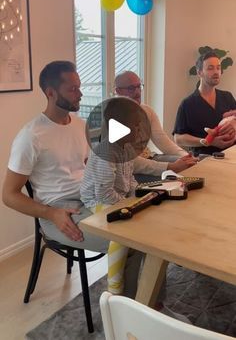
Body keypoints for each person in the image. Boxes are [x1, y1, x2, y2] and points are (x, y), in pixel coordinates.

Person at [2, 60, 142, 298]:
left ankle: (143, 305)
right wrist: (51, 214)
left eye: (79, 87)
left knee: (146, 229)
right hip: (58, 213)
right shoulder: (30, 136)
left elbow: (94, 167)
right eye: (73, 89)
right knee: (134, 239)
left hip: (89, 199)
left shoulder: (80, 126)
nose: (81, 93)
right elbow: (8, 195)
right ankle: (125, 310)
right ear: (50, 93)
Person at [80, 97, 141, 295]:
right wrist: (127, 204)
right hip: (97, 201)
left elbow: (130, 178)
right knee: (122, 230)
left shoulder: (127, 148)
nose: (139, 127)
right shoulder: (106, 151)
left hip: (116, 196)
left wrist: (137, 194)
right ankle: (114, 287)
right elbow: (104, 193)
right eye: (135, 123)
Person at [114, 71, 197, 178]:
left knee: (191, 164)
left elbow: (162, 141)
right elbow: (130, 161)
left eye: (139, 86)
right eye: (131, 88)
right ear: (118, 91)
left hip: (151, 158)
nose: (137, 92)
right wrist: (169, 167)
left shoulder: (147, 111)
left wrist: (186, 156)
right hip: (129, 171)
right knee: (177, 178)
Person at [173, 51, 236, 155]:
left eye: (218, 67)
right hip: (203, 159)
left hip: (231, 156)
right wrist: (208, 142)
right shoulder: (187, 104)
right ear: (199, 72)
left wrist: (234, 124)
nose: (216, 72)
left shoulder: (227, 97)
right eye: (210, 68)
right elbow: (178, 138)